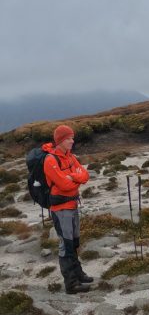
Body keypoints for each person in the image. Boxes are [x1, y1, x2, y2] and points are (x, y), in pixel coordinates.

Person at [43, 125, 92, 294]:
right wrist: (74, 179)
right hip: (61, 209)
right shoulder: (50, 160)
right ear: (60, 140)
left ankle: (78, 274)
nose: (73, 140)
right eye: (69, 138)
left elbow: (85, 175)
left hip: (73, 205)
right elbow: (64, 185)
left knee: (75, 242)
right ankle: (71, 284)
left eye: (72, 137)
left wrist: (74, 177)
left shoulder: (70, 157)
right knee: (66, 246)